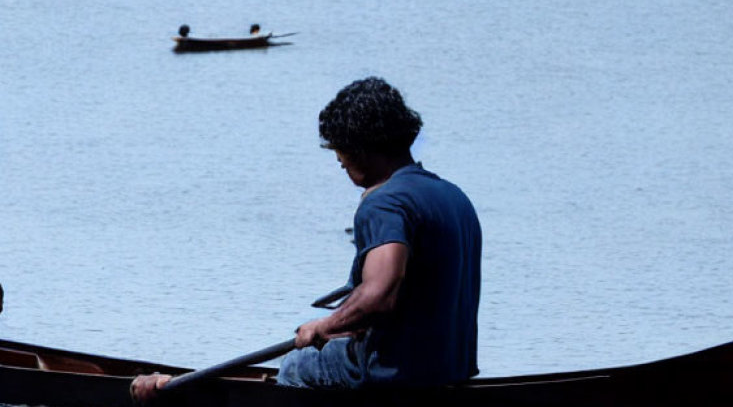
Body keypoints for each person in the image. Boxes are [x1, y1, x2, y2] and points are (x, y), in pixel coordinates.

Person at [131, 77, 481, 401]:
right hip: (450, 370)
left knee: (296, 366)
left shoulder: (384, 202)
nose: (339, 163)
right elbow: (413, 300)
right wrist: (346, 327)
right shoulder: (453, 196)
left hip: (392, 378)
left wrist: (324, 325)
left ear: (358, 147)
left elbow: (380, 295)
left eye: (338, 151)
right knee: (326, 350)